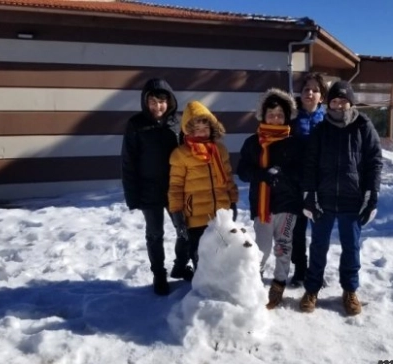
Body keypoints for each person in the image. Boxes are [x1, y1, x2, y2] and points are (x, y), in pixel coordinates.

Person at [299, 80, 383, 316]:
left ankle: (350, 291)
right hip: (323, 198)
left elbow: (374, 162)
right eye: (334, 101)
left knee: (351, 247)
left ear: (351, 102)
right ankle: (312, 289)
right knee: (318, 246)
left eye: (343, 101)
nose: (338, 105)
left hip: (352, 199)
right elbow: (310, 164)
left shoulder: (363, 126)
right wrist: (309, 195)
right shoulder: (320, 130)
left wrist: (372, 194)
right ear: (329, 103)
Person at [121, 78, 191, 296]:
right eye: (152, 101)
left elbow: (189, 153)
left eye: (162, 101)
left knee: (185, 231)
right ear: (145, 102)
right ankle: (159, 273)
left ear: (169, 102)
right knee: (154, 234)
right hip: (148, 189)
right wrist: (132, 196)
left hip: (175, 188)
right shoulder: (136, 124)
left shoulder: (178, 123)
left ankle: (180, 266)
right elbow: (128, 162)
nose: (157, 106)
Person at [236, 88, 302, 309]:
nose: (275, 118)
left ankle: (279, 282)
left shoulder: (294, 143)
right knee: (261, 247)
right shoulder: (252, 142)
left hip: (287, 205)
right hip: (262, 206)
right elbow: (243, 171)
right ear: (263, 115)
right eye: (271, 114)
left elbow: (301, 173)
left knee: (283, 245)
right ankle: (254, 281)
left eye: (280, 115)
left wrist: (283, 176)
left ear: (286, 117)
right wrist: (262, 175)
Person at [168, 100, 239, 275]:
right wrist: (177, 214)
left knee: (221, 252)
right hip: (196, 217)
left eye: (205, 128)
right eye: (196, 129)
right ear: (188, 130)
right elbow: (175, 187)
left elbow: (228, 178)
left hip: (220, 213)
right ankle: (202, 290)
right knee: (200, 255)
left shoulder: (219, 150)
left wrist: (233, 200)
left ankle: (220, 284)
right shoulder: (181, 154)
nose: (201, 132)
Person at [288, 72, 329, 287]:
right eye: (306, 89)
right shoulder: (291, 118)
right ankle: (300, 270)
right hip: (296, 183)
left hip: (321, 185)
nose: (309, 93)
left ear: (321, 97)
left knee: (320, 231)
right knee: (297, 230)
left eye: (314, 90)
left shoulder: (329, 120)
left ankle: (316, 271)